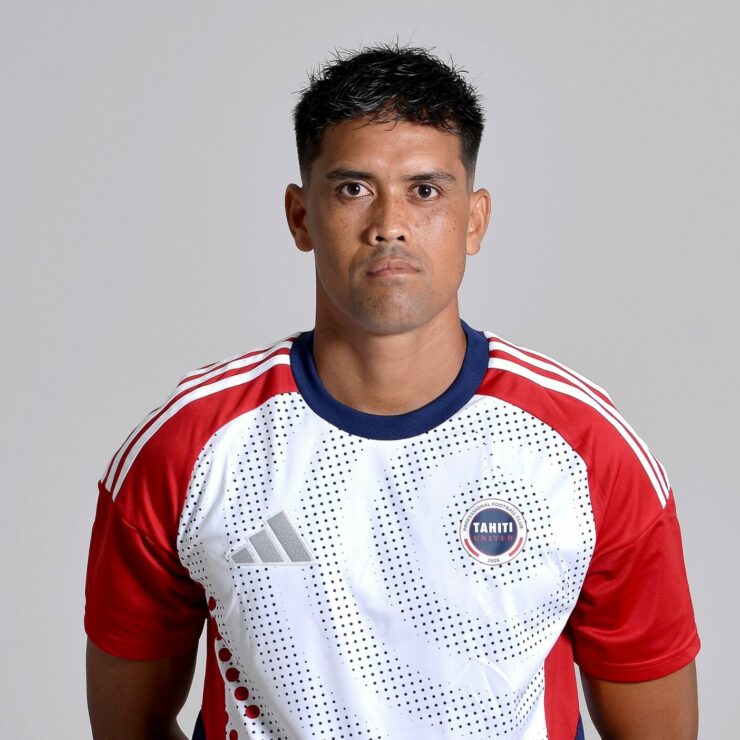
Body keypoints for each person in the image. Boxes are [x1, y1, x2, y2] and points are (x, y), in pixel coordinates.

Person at [85, 43, 700, 740]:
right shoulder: (189, 446)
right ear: (300, 216)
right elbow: (128, 724)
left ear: (474, 219)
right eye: (353, 188)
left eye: (425, 190)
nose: (390, 224)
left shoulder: (586, 449)